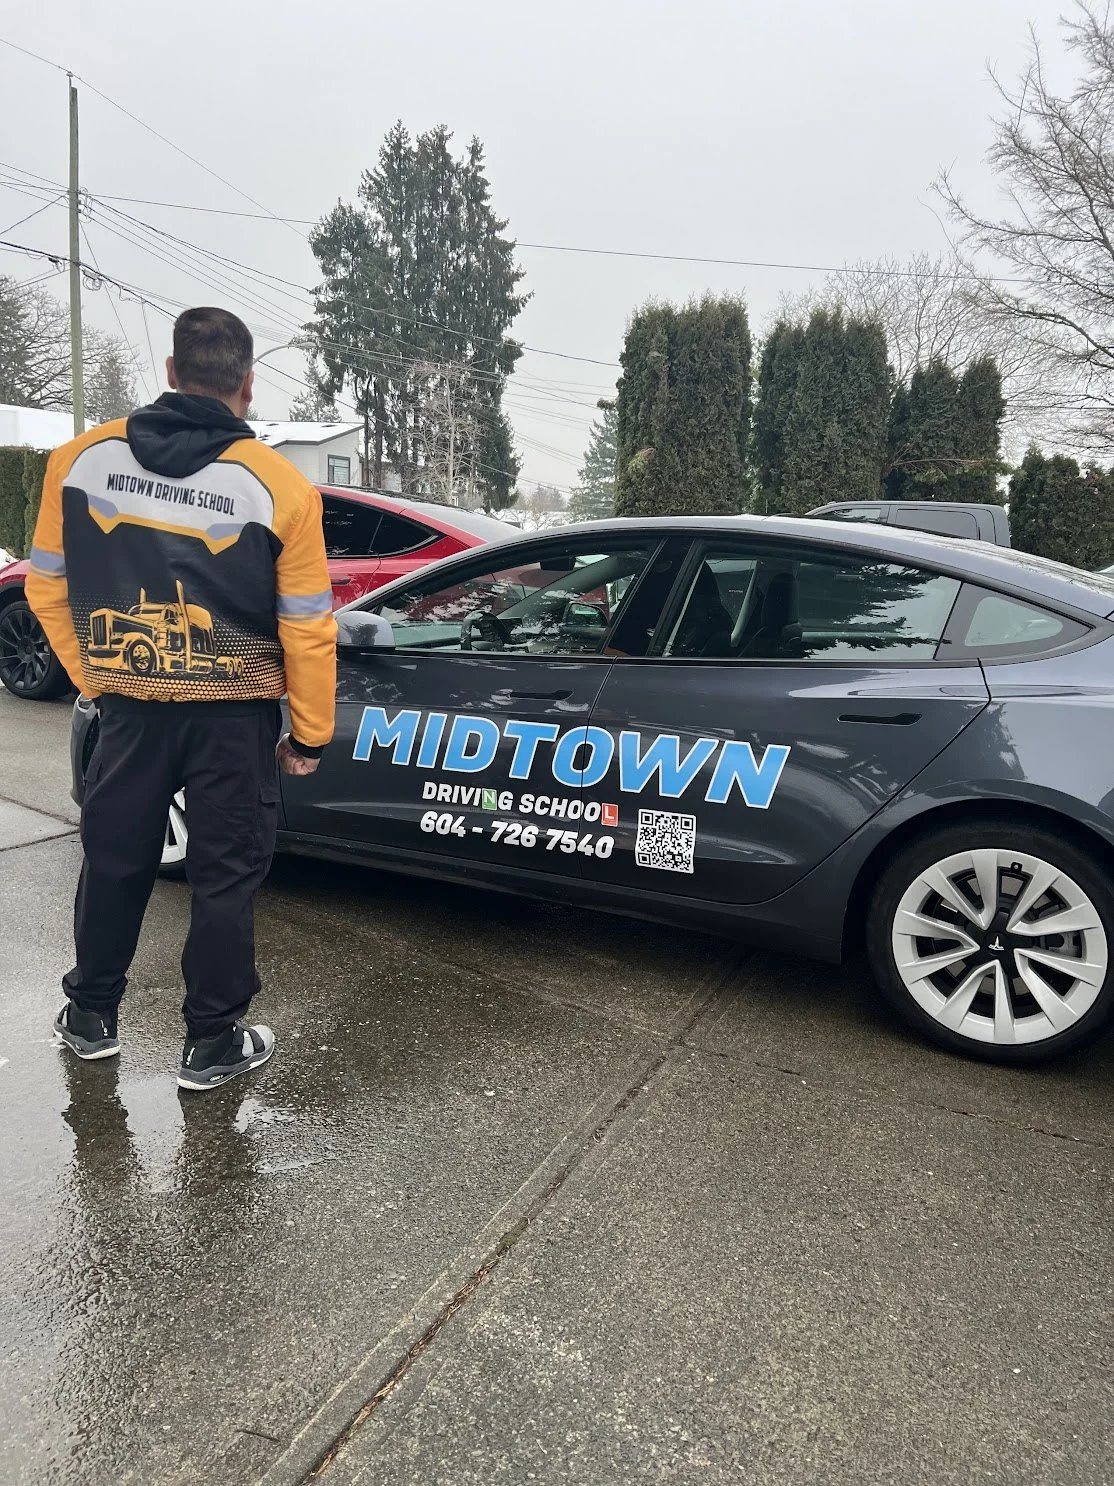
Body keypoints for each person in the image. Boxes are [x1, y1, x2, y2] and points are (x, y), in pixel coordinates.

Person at [26, 306, 337, 1091]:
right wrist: (309, 735)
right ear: (247, 383)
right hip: (234, 722)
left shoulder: (78, 461)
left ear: (170, 373)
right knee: (224, 879)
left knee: (114, 860)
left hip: (127, 711)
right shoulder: (283, 487)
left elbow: (45, 586)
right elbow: (307, 627)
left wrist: (97, 676)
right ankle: (211, 1044)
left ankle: (91, 1017)